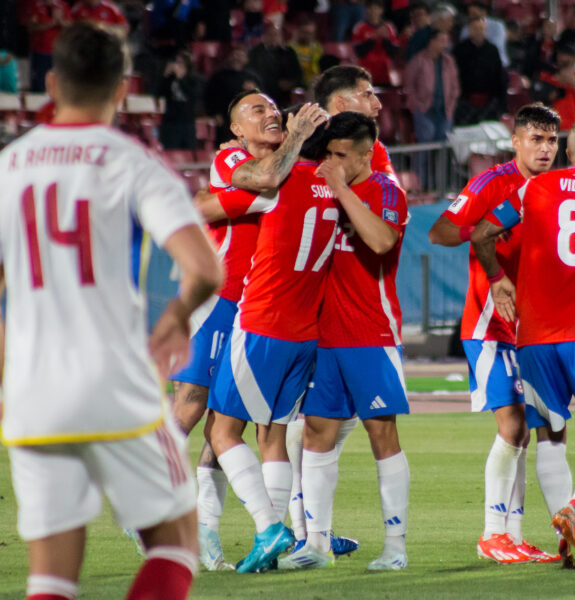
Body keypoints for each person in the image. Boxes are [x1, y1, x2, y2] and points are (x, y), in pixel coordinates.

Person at [0, 23, 224, 600]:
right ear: (123, 89)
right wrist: (176, 315)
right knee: (176, 541)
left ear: (51, 83)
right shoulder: (133, 162)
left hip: (32, 394)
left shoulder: (9, 166)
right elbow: (204, 269)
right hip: (114, 383)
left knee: (49, 577)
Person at [471, 112, 575, 570]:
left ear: (567, 152)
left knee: (550, 435)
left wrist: (498, 279)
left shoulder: (530, 190)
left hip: (534, 337)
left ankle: (567, 537)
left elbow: (483, 233)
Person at [197, 94, 329, 574]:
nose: (272, 113)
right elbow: (264, 177)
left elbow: (267, 181)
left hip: (258, 313)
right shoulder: (235, 158)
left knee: (222, 426)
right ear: (234, 131)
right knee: (201, 410)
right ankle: (180, 516)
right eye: (257, 110)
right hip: (230, 304)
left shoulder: (289, 175)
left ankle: (267, 528)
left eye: (275, 108)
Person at [429, 104, 563, 564]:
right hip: (489, 322)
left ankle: (514, 534)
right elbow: (441, 231)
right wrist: (490, 226)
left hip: (533, 326)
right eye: (536, 139)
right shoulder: (492, 183)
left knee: (528, 432)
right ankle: (491, 532)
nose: (544, 149)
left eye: (551, 141)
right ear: (516, 141)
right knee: (513, 426)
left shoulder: (556, 187)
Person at [278, 112, 411, 571]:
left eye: (339, 155)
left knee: (382, 434)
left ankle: (395, 547)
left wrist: (340, 188)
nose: (329, 163)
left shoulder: (386, 191)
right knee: (316, 435)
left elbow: (381, 240)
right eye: (327, 154)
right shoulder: (323, 190)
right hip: (325, 337)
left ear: (364, 153)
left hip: (370, 333)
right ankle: (315, 544)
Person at [403, 29, 459, 144]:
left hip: (444, 111)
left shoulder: (449, 61)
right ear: (432, 41)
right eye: (442, 41)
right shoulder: (418, 60)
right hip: (424, 110)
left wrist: (451, 105)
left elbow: (455, 86)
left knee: (443, 147)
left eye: (446, 41)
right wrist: (417, 105)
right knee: (425, 145)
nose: (445, 45)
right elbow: (409, 85)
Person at [453, 15, 506, 125]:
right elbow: (454, 76)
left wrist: (502, 103)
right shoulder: (459, 50)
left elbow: (499, 76)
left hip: (489, 100)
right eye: (475, 28)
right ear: (469, 30)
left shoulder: (492, 50)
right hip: (465, 100)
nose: (478, 32)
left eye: (481, 28)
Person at [204, 47, 262, 146]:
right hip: (225, 120)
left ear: (246, 59)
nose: (237, 58)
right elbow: (209, 97)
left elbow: (263, 98)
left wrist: (254, 89)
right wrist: (215, 113)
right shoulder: (219, 76)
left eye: (240, 56)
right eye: (234, 55)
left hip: (247, 120)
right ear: (229, 57)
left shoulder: (253, 77)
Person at [539, 42, 575, 131]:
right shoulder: (547, 74)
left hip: (572, 128)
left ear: (574, 58)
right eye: (560, 54)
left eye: (566, 55)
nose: (562, 58)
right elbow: (539, 97)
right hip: (551, 128)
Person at [247, 24, 303, 109]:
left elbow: (298, 73)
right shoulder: (256, 53)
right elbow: (253, 73)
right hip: (264, 91)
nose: (273, 37)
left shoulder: (289, 52)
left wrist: (291, 83)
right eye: (270, 34)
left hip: (285, 94)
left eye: (276, 34)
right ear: (263, 36)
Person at [158, 50, 203, 150]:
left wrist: (181, 79)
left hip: (187, 123)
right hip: (171, 123)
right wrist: (165, 76)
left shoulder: (194, 79)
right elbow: (158, 93)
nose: (176, 65)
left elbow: (192, 95)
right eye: (175, 62)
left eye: (180, 62)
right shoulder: (169, 79)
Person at [352, 0, 400, 87]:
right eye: (370, 8)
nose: (373, 11)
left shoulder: (389, 27)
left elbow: (393, 52)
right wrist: (373, 39)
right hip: (366, 74)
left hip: (385, 74)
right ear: (366, 10)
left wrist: (385, 39)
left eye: (376, 8)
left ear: (381, 10)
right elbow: (359, 52)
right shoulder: (359, 27)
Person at [28, 0, 71, 93]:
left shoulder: (62, 5)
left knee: (59, 84)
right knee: (39, 84)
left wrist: (60, 21)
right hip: (40, 51)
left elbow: (71, 26)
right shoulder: (36, 5)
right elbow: (31, 27)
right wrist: (51, 24)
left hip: (58, 52)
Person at [459, 2, 508, 68]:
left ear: (484, 13)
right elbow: (464, 47)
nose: (472, 16)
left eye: (474, 14)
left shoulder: (497, 25)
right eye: (470, 14)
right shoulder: (466, 28)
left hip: (498, 65)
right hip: (475, 66)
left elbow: (496, 45)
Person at [289, 17, 324, 88]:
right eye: (305, 32)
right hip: (296, 81)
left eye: (311, 33)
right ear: (298, 32)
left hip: (313, 81)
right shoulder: (290, 47)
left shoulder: (317, 48)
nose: (308, 36)